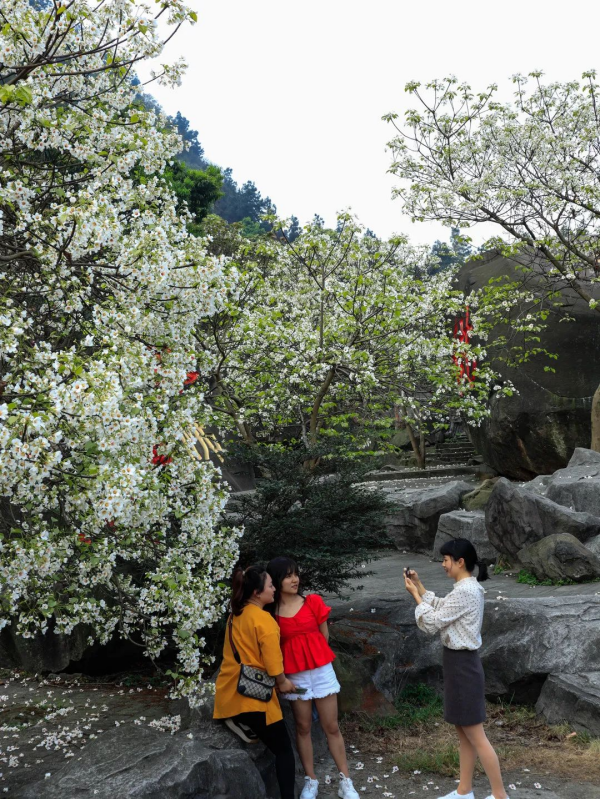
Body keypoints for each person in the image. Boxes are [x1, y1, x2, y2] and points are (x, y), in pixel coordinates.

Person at [404, 539, 510, 799]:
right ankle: (464, 791)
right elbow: (444, 608)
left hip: (463, 666)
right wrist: (419, 586)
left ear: (460, 562)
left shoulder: (466, 591)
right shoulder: (465, 588)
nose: (443, 564)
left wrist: (415, 596)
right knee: (464, 733)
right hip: (458, 664)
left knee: (476, 734)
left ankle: (500, 796)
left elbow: (433, 622)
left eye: (445, 559)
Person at [267, 556, 359, 799]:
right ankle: (311, 780)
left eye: (296, 574)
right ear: (277, 580)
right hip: (293, 677)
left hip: (321, 671)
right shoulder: (271, 612)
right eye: (287, 576)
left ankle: (345, 781)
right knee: (303, 726)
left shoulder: (313, 601)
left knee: (331, 726)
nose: (294, 579)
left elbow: (323, 637)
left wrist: (314, 659)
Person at [214, 565, 297, 799]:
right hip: (255, 697)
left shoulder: (234, 615)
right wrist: (283, 682)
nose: (274, 589)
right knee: (284, 751)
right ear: (256, 593)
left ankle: (236, 717)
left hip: (230, 690)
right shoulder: (264, 620)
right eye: (270, 585)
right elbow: (272, 663)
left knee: (271, 738)